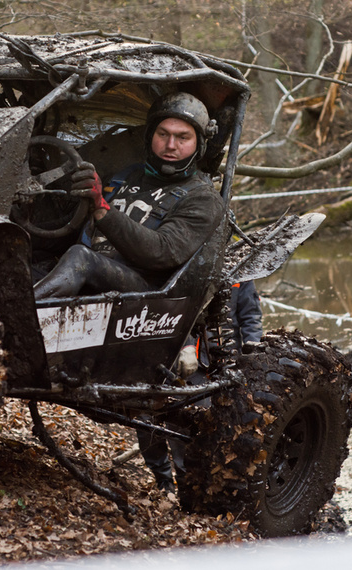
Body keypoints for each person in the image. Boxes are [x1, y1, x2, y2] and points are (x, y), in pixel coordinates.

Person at [33, 92, 224, 299]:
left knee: (81, 258)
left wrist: (100, 207)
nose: (170, 145)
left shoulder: (203, 198)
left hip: (146, 295)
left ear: (199, 145)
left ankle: (23, 314)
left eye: (182, 137)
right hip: (89, 274)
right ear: (150, 136)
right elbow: (75, 228)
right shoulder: (125, 176)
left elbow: (162, 251)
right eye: (163, 134)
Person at [139, 278, 264, 494]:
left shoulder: (241, 273)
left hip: (214, 361)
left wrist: (252, 347)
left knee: (193, 424)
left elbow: (250, 316)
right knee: (146, 422)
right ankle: (164, 481)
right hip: (167, 351)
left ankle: (189, 485)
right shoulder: (186, 264)